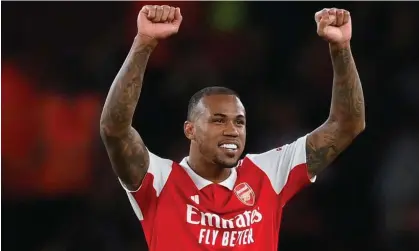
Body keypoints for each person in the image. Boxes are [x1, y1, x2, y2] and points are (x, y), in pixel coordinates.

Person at [100, 5, 365, 251]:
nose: (232, 130)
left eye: (239, 122)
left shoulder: (269, 174)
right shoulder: (159, 180)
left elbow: (347, 125)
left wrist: (341, 48)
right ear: (190, 130)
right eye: (218, 120)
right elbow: (114, 129)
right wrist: (144, 43)